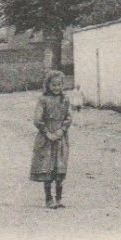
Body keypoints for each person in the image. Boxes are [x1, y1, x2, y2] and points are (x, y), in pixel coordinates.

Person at [30, 69, 71, 208]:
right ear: (47, 85)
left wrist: (62, 130)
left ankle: (59, 199)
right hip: (46, 138)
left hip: (60, 138)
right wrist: (47, 133)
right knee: (46, 168)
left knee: (59, 167)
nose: (56, 87)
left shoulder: (65, 100)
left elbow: (68, 117)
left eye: (59, 84)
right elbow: (37, 119)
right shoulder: (43, 100)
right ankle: (48, 199)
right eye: (53, 85)